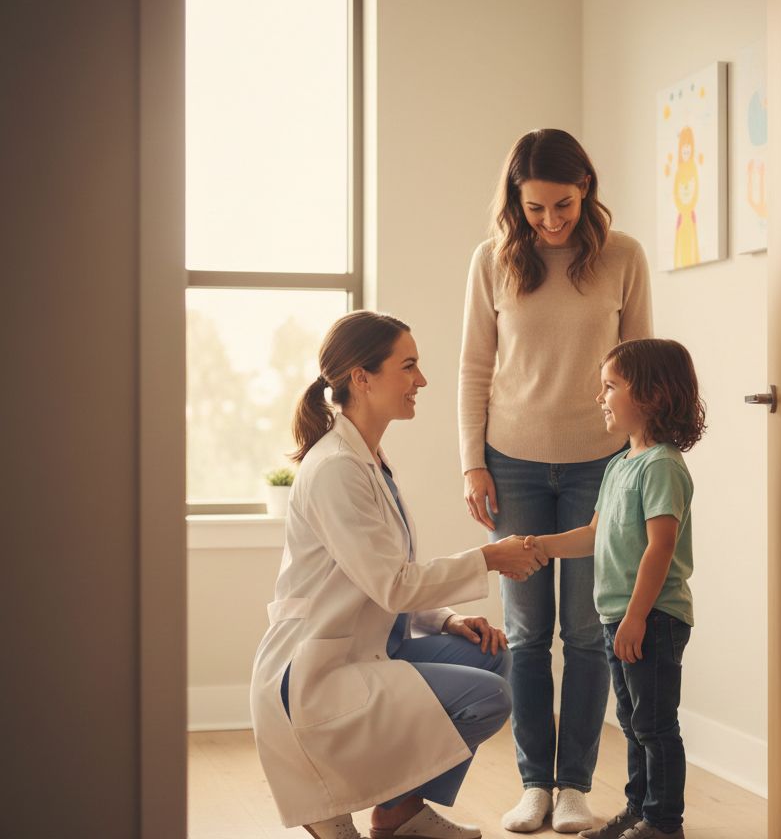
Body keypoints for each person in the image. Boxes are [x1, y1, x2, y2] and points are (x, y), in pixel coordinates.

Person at [250, 310, 548, 839]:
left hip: (370, 644)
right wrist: (489, 558)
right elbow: (390, 584)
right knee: (490, 697)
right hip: (316, 670)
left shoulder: (368, 457)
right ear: (361, 378)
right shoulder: (337, 468)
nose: (422, 381)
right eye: (408, 366)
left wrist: (447, 619)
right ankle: (331, 797)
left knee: (490, 653)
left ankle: (397, 812)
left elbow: (382, 578)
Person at [458, 129, 653, 832]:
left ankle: (574, 785)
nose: (550, 221)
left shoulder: (624, 257)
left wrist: (637, 463)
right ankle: (533, 785)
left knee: (590, 631)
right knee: (527, 631)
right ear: (516, 201)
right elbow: (475, 368)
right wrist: (472, 461)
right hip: (511, 463)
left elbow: (642, 366)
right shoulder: (493, 262)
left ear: (586, 189)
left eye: (563, 205)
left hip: (600, 464)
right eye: (535, 208)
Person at [524, 338, 706, 839]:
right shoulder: (619, 465)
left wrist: (637, 617)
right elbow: (591, 536)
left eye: (610, 387)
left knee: (655, 725)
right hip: (619, 617)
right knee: (632, 723)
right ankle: (638, 810)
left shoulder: (662, 465)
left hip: (652, 618)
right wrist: (535, 544)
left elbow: (660, 547)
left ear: (650, 395)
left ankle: (664, 823)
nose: (600, 397)